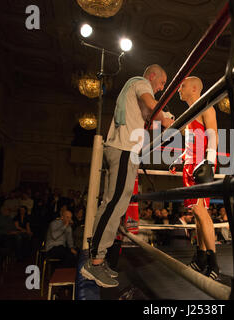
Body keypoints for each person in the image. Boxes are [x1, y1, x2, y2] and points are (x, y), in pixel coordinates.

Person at [80, 64, 174, 288]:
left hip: (127, 150)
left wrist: (164, 119)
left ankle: (98, 258)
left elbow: (149, 118)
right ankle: (94, 261)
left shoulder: (135, 93)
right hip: (123, 149)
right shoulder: (141, 84)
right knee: (113, 204)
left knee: (117, 205)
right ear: (152, 76)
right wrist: (169, 121)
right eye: (161, 83)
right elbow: (153, 107)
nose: (161, 88)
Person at [170, 76, 220, 280]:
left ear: (193, 88)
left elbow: (213, 135)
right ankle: (200, 257)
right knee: (197, 213)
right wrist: (180, 158)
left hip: (201, 165)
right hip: (190, 165)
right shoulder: (189, 114)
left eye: (182, 86)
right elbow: (192, 143)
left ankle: (213, 261)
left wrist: (208, 163)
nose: (179, 89)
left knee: (201, 211)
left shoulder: (206, 107)